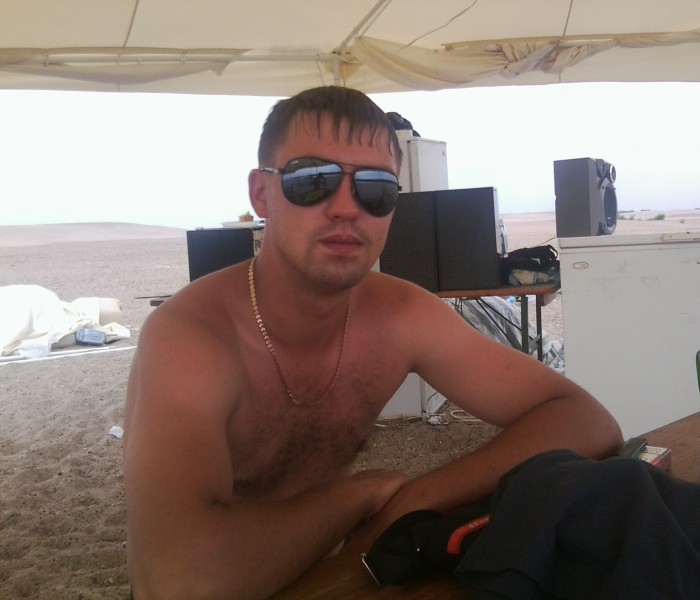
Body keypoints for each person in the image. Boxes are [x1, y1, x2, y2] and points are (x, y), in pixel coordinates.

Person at [123, 86, 623, 599]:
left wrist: (420, 497)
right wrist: (358, 496)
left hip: (328, 574)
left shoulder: (399, 314)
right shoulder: (191, 338)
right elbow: (180, 580)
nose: (346, 207)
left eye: (375, 188)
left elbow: (587, 420)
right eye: (311, 180)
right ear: (261, 194)